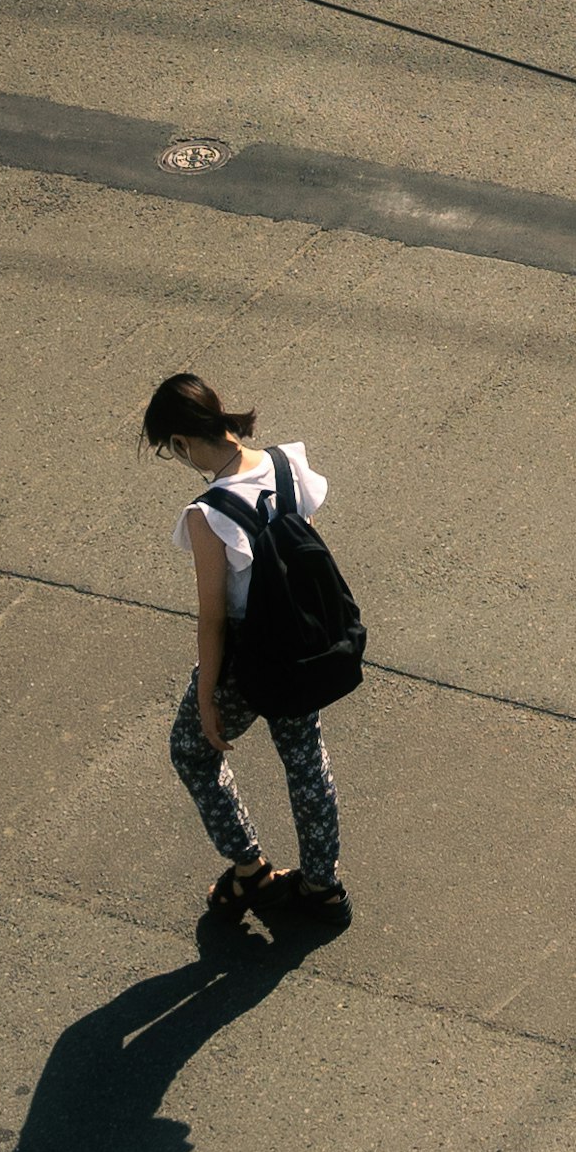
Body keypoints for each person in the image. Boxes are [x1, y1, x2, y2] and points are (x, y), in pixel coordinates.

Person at [144, 370, 350, 939]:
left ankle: (250, 869)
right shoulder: (287, 464)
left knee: (192, 750)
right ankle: (323, 887)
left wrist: (209, 696)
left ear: (182, 443)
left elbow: (212, 618)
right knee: (305, 759)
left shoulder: (208, 514)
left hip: (247, 653)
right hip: (301, 640)